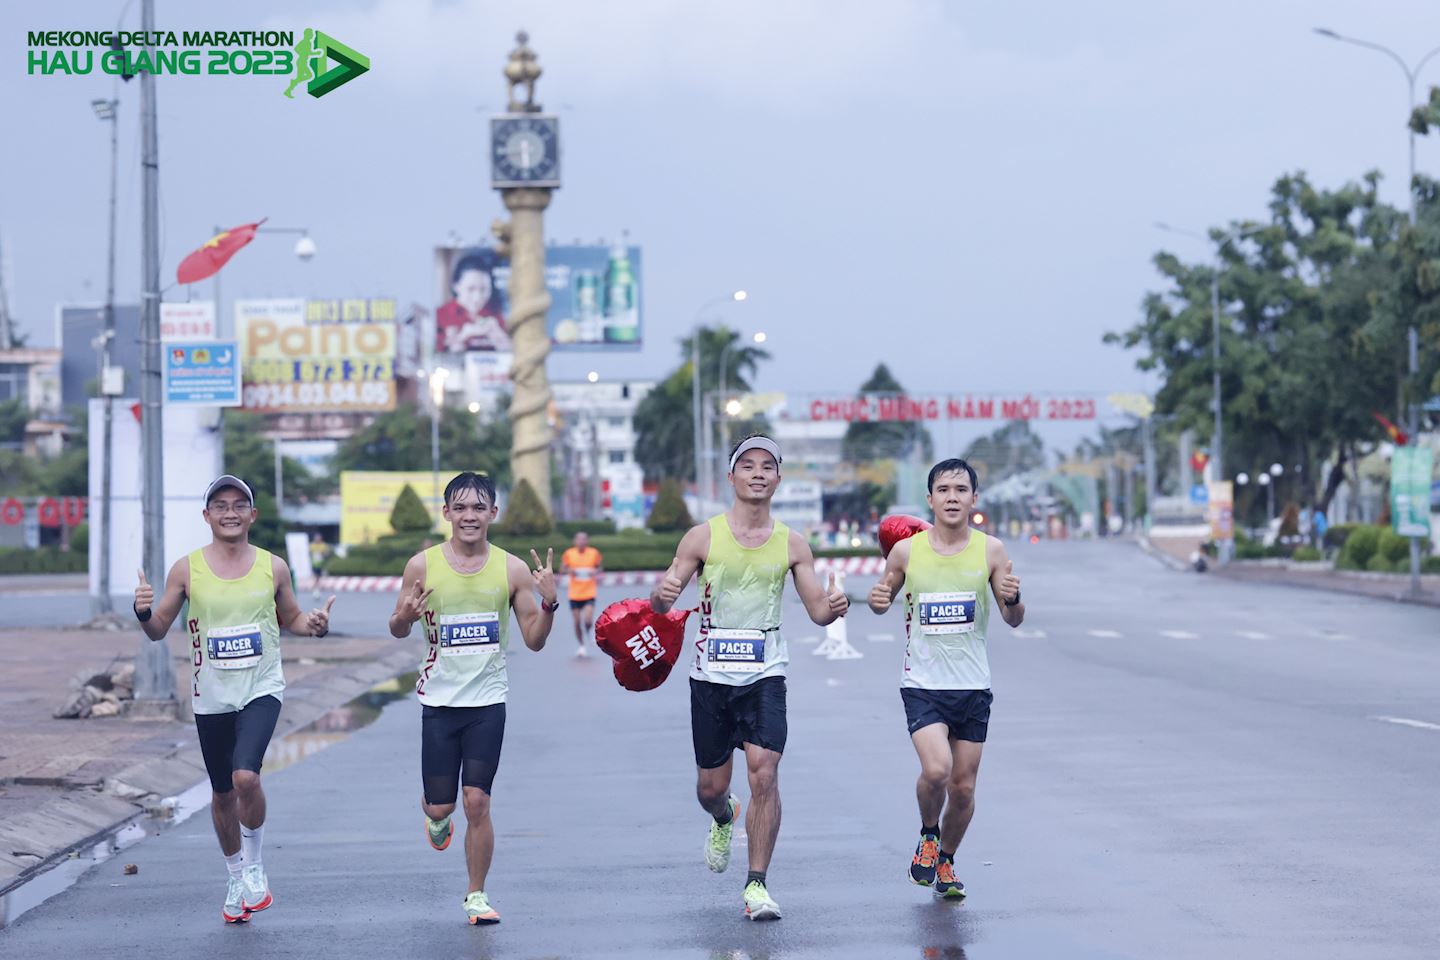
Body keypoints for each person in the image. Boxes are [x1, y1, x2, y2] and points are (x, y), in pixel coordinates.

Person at [651, 434, 849, 921]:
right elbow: (662, 604)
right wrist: (662, 594)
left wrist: (834, 607)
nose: (758, 473)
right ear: (732, 477)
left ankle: (756, 884)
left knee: (765, 772)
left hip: (765, 675)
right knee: (710, 789)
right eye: (748, 465)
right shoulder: (702, 537)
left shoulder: (792, 543)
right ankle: (723, 817)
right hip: (711, 678)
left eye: (768, 467)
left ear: (778, 479)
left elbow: (818, 610)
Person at [132, 474, 335, 924]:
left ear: (252, 515)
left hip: (262, 688)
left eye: (238, 504)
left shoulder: (273, 567)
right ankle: (234, 875)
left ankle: (256, 866)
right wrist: (143, 610)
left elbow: (293, 619)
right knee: (222, 793)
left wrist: (315, 625)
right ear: (207, 516)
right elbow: (158, 629)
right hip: (212, 697)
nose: (229, 512)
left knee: (246, 777)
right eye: (220, 505)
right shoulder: (187, 569)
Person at [388, 471, 557, 925]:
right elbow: (398, 625)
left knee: (477, 801)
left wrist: (550, 605)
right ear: (446, 513)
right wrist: (404, 616)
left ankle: (476, 895)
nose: (469, 516)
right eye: (459, 507)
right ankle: (435, 818)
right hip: (439, 703)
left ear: (492, 514)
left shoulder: (512, 569)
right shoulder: (421, 565)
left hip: (487, 701)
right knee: (442, 806)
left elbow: (535, 641)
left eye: (478, 508)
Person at [867, 458, 1024, 902]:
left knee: (964, 787)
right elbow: (883, 598)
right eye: (944, 489)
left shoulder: (991, 551)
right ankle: (928, 833)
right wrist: (878, 600)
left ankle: (947, 859)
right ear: (930, 499)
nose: (952, 497)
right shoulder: (906, 552)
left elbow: (1013, 618)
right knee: (936, 771)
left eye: (961, 489)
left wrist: (1015, 599)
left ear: (974, 499)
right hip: (922, 684)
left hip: (973, 686)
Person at [436, 252, 512, 354]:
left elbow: (511, 355)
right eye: (471, 289)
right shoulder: (440, 316)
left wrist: (499, 336)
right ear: (456, 286)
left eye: (484, 289)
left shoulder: (495, 314)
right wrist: (462, 336)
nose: (478, 297)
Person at [560, 531, 603, 658]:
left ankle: (589, 630)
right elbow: (562, 569)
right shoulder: (569, 553)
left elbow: (599, 568)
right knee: (577, 621)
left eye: (584, 539)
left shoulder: (593, 553)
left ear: (587, 541)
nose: (581, 542)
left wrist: (594, 571)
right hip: (574, 594)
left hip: (589, 592)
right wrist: (570, 570)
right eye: (579, 540)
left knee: (588, 620)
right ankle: (581, 646)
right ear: (575, 541)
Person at [308, 532, 331, 599]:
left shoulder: (323, 545)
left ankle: (315, 588)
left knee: (318, 578)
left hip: (321, 564)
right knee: (316, 577)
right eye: (316, 538)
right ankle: (315, 589)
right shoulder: (312, 545)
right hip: (314, 564)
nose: (317, 539)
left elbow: (327, 554)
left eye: (318, 538)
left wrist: (323, 553)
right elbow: (309, 553)